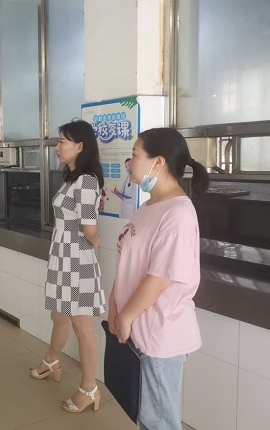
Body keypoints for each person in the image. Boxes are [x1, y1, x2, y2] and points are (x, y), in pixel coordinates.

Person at [109, 128, 209, 430]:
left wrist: (126, 315)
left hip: (160, 334)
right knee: (147, 417)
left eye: (135, 155)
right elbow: (129, 262)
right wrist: (115, 304)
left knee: (159, 421)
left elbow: (159, 279)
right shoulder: (149, 206)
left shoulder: (178, 214)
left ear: (158, 162)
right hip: (139, 328)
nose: (129, 163)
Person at [30, 120, 106, 413]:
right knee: (58, 315)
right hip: (63, 255)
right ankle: (52, 360)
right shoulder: (73, 178)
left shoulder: (86, 180)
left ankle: (89, 388)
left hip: (76, 258)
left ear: (80, 146)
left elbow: (90, 229)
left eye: (62, 141)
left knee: (81, 326)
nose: (57, 147)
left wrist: (91, 244)